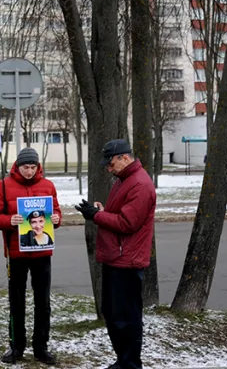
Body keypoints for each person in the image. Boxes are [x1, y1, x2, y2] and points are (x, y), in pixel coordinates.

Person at [75, 139, 156, 369]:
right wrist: (101, 211)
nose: (109, 169)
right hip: (117, 257)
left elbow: (128, 222)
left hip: (127, 260)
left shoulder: (139, 184)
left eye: (111, 164)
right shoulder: (124, 180)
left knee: (126, 316)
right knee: (113, 313)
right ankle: (123, 360)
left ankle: (130, 364)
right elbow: (120, 214)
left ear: (124, 157)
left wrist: (96, 216)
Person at [0, 147, 62, 365]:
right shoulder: (3, 186)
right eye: (25, 167)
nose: (29, 171)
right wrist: (9, 221)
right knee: (17, 301)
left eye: (33, 167)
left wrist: (57, 219)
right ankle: (16, 347)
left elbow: (56, 212)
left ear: (38, 167)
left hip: (42, 253)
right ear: (17, 166)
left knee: (43, 301)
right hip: (16, 253)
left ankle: (41, 347)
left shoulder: (48, 186)